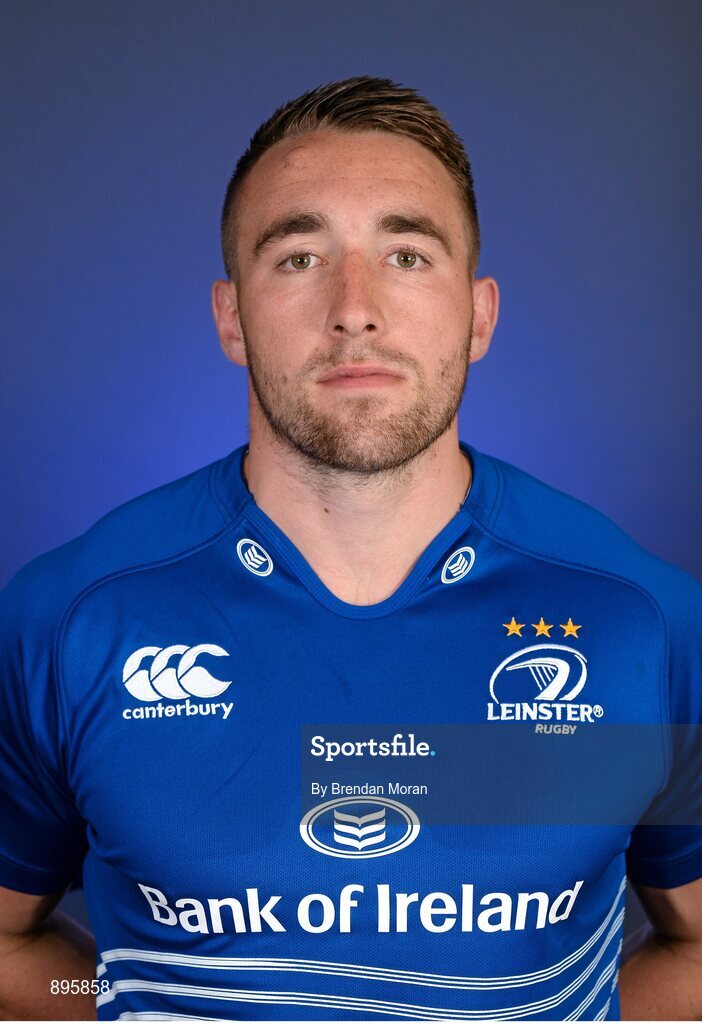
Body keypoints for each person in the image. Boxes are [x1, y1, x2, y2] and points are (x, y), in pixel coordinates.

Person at [0, 75, 700, 1023]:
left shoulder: (647, 624)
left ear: (480, 315)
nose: (355, 308)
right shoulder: (68, 620)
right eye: (299, 258)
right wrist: (134, 1003)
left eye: (407, 254)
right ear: (231, 318)